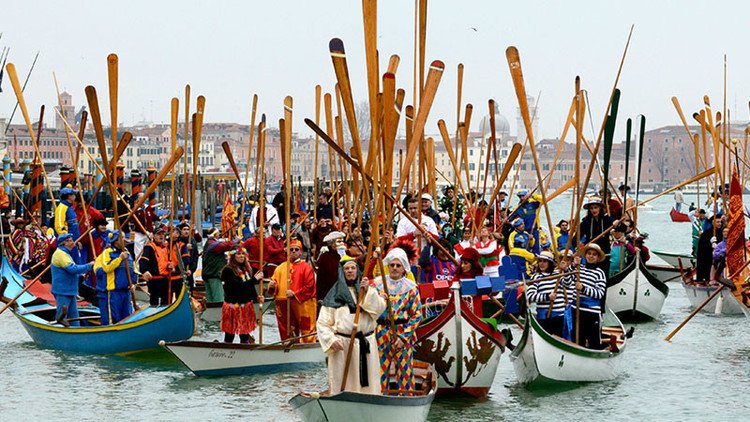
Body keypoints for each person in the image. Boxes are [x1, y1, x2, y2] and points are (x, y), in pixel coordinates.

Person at [317, 255, 387, 394]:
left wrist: (367, 292)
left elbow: (379, 309)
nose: (350, 271)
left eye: (353, 268)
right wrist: (331, 340)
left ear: (357, 270)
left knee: (369, 384)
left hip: (366, 345)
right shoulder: (333, 296)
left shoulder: (367, 291)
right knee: (345, 383)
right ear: (342, 272)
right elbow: (322, 324)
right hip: (343, 347)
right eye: (347, 268)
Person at [373, 247, 422, 395]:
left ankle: (406, 398)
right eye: (392, 265)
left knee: (405, 370)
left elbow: (417, 315)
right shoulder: (377, 285)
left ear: (403, 268)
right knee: (380, 369)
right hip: (381, 332)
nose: (394, 268)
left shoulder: (411, 288)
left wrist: (403, 336)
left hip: (403, 334)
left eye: (398, 265)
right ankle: (379, 397)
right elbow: (368, 308)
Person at [268, 239, 317, 342]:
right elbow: (274, 281)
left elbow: (310, 286)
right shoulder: (280, 267)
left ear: (300, 252)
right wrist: (272, 286)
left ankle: (307, 345)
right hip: (283, 302)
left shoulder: (306, 267)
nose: (293, 251)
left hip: (302, 302)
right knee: (286, 328)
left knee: (306, 326)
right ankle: (287, 344)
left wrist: (295, 294)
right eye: (291, 249)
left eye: (296, 249)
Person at [560, 244, 607, 348]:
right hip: (576, 310)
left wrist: (583, 288)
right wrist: (568, 269)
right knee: (577, 340)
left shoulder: (600, 273)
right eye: (589, 253)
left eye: (594, 254)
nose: (591, 256)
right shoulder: (578, 269)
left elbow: (599, 294)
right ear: (585, 255)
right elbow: (565, 283)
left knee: (594, 342)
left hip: (592, 312)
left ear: (598, 258)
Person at [93, 230, 136, 325]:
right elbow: (107, 268)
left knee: (127, 319)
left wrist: (134, 284)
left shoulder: (127, 253)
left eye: (124, 237)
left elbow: (134, 271)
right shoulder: (107, 253)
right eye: (122, 237)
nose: (124, 240)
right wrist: (119, 259)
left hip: (125, 292)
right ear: (116, 240)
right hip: (112, 292)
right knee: (112, 320)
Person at [50, 233, 94, 326]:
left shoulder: (65, 254)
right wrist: (89, 265)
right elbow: (72, 269)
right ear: (65, 243)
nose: (73, 242)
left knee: (75, 319)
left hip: (70, 291)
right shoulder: (60, 254)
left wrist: (81, 276)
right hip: (62, 291)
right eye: (70, 240)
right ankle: (60, 336)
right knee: (61, 317)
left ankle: (76, 333)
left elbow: (71, 271)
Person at [138, 225, 186, 306]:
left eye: (162, 234)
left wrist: (170, 266)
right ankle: (154, 315)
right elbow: (143, 261)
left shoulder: (165, 248)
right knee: (154, 301)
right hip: (154, 279)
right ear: (153, 236)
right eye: (158, 234)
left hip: (165, 279)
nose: (161, 236)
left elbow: (166, 262)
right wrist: (145, 271)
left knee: (166, 302)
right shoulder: (150, 247)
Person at [221, 246, 260, 343]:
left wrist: (256, 298)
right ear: (233, 256)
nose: (241, 256)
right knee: (230, 333)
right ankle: (227, 350)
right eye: (238, 254)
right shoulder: (228, 270)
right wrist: (255, 279)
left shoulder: (246, 269)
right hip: (232, 306)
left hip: (245, 305)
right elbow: (238, 286)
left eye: (243, 254)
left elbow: (249, 287)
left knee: (244, 333)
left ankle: (245, 349)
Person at [526, 251, 568, 337]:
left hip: (559, 316)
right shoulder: (536, 277)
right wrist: (547, 296)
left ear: (550, 263)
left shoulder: (558, 274)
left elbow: (568, 283)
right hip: (544, 317)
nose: (541, 264)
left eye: (544, 261)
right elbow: (530, 296)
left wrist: (565, 269)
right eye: (540, 261)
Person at [579, 196, 616, 274]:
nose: (593, 210)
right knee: (590, 274)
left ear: (600, 208)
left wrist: (617, 223)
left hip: (604, 253)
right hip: (590, 254)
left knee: (603, 273)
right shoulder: (586, 222)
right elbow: (576, 238)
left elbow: (623, 228)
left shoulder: (607, 219)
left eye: (595, 207)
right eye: (591, 208)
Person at [202, 228, 236, 303]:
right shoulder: (213, 244)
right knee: (218, 299)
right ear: (215, 234)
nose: (219, 234)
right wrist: (236, 240)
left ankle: (211, 312)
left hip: (208, 274)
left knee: (210, 299)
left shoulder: (208, 243)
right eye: (218, 233)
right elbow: (226, 246)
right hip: (214, 274)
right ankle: (218, 313)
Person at [316, 231, 346, 302]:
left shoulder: (346, 254)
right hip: (330, 291)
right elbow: (321, 278)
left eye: (342, 241)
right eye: (339, 241)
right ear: (332, 244)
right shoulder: (325, 257)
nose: (342, 243)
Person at [696, 216, 723, 281]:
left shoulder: (722, 233)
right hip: (707, 259)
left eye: (720, 222)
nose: (719, 224)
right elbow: (701, 249)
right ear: (713, 223)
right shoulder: (706, 234)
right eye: (717, 222)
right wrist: (710, 244)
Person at [132, 193, 157, 259]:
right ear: (138, 199)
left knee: (149, 252)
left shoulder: (148, 207)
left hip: (149, 234)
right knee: (138, 252)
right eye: (142, 197)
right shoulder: (135, 210)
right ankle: (138, 268)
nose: (144, 199)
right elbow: (137, 224)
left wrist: (160, 218)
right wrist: (146, 232)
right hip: (140, 234)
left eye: (145, 197)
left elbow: (153, 217)